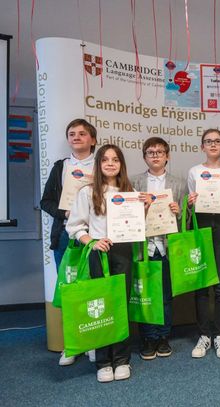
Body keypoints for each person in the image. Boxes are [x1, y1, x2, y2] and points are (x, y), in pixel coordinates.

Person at [66, 144, 150, 382]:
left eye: (115, 159)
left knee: (120, 304)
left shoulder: (129, 191)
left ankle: (122, 359)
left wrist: (145, 208)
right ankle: (103, 361)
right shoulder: (87, 192)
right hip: (99, 253)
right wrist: (92, 242)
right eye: (105, 160)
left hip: (123, 252)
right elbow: (74, 227)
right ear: (99, 164)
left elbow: (136, 227)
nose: (110, 163)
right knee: (100, 306)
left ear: (121, 164)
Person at [40, 118, 97, 366]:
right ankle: (72, 344)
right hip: (66, 235)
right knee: (70, 290)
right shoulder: (60, 167)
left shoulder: (103, 164)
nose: (76, 137)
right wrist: (65, 213)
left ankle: (93, 341)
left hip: (96, 235)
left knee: (94, 289)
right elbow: (46, 202)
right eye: (72, 134)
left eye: (82, 133)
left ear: (92, 140)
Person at [130, 137, 185, 361]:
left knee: (165, 297)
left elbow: (185, 220)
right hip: (143, 247)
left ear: (167, 156)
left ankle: (163, 336)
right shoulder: (133, 182)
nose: (155, 156)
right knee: (145, 295)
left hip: (167, 247)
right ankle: (148, 338)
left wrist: (179, 212)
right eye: (150, 152)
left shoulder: (179, 184)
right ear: (144, 157)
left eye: (160, 152)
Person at [187, 128, 220, 359]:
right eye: (208, 141)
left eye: (217, 141)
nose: (213, 144)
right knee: (201, 282)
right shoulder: (194, 171)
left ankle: (219, 334)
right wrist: (190, 202)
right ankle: (204, 334)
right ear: (202, 147)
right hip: (201, 224)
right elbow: (191, 204)